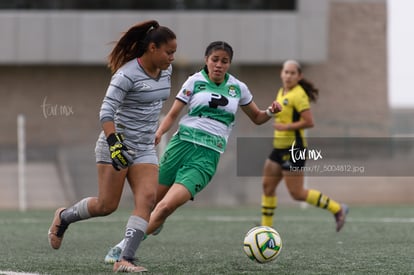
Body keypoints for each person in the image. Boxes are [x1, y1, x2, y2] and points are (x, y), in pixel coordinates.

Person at [103, 41, 282, 264]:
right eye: (214, 60)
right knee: (149, 203)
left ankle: (122, 249)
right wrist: (159, 132)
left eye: (224, 61)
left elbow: (257, 118)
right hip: (180, 146)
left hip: (206, 157)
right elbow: (172, 114)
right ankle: (151, 226)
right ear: (207, 60)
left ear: (229, 64)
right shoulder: (194, 81)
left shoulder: (238, 88)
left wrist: (270, 111)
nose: (218, 65)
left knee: (166, 206)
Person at [47, 20, 177, 273]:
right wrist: (114, 144)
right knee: (106, 206)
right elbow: (106, 112)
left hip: (144, 148)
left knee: (147, 200)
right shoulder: (126, 74)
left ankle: (124, 259)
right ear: (152, 48)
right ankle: (64, 217)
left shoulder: (166, 71)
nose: (172, 57)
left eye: (174, 52)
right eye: (168, 52)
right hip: (116, 146)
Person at [260, 60, 348, 232]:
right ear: (281, 73)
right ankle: (266, 230)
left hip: (294, 149)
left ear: (299, 76)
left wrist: (286, 127)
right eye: (286, 72)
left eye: (293, 73)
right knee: (267, 187)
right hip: (278, 147)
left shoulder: (299, 95)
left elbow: (309, 122)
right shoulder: (282, 91)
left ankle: (338, 209)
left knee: (297, 193)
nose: (288, 75)